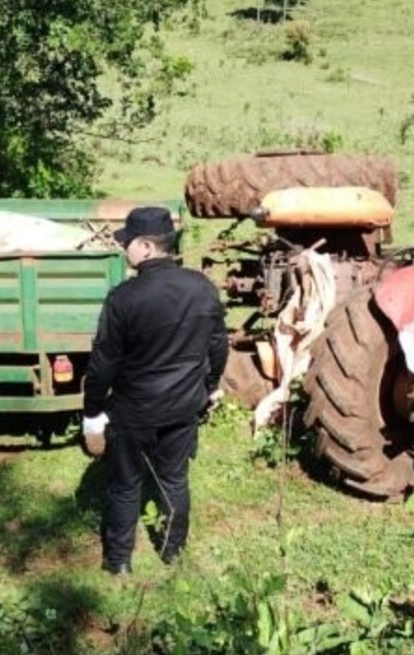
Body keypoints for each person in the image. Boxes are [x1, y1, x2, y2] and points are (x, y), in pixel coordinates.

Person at [82, 206, 229, 575]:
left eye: (128, 242)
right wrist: (209, 387)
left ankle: (119, 562)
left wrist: (92, 411)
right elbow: (218, 346)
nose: (124, 249)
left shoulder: (123, 298)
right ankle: (172, 552)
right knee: (174, 480)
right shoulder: (203, 288)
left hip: (133, 411)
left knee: (125, 486)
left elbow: (103, 363)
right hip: (184, 407)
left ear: (146, 246)